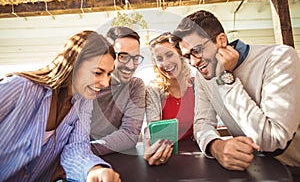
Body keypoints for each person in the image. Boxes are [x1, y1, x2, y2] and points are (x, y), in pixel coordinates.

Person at [172, 10, 300, 171]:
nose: (193, 62)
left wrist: (224, 78)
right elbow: (202, 124)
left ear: (221, 40)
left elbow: (272, 141)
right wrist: (216, 146)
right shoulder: (202, 77)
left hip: (294, 167)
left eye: (196, 51)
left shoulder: (279, 58)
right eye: (187, 56)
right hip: (253, 169)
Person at [0, 30, 120, 182]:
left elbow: (77, 147)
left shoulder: (84, 104)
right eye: (98, 73)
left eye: (109, 74)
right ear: (73, 65)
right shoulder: (20, 87)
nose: (105, 83)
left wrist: (93, 170)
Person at [90, 26, 145, 155]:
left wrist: (85, 150)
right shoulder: (88, 83)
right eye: (123, 57)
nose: (131, 66)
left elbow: (130, 134)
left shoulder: (135, 86)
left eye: (135, 58)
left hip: (116, 156)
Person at [143, 32, 195, 166]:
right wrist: (148, 146)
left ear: (181, 55)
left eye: (170, 55)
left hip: (195, 152)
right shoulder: (152, 90)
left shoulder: (196, 85)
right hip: (166, 154)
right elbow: (151, 128)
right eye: (159, 58)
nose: (165, 63)